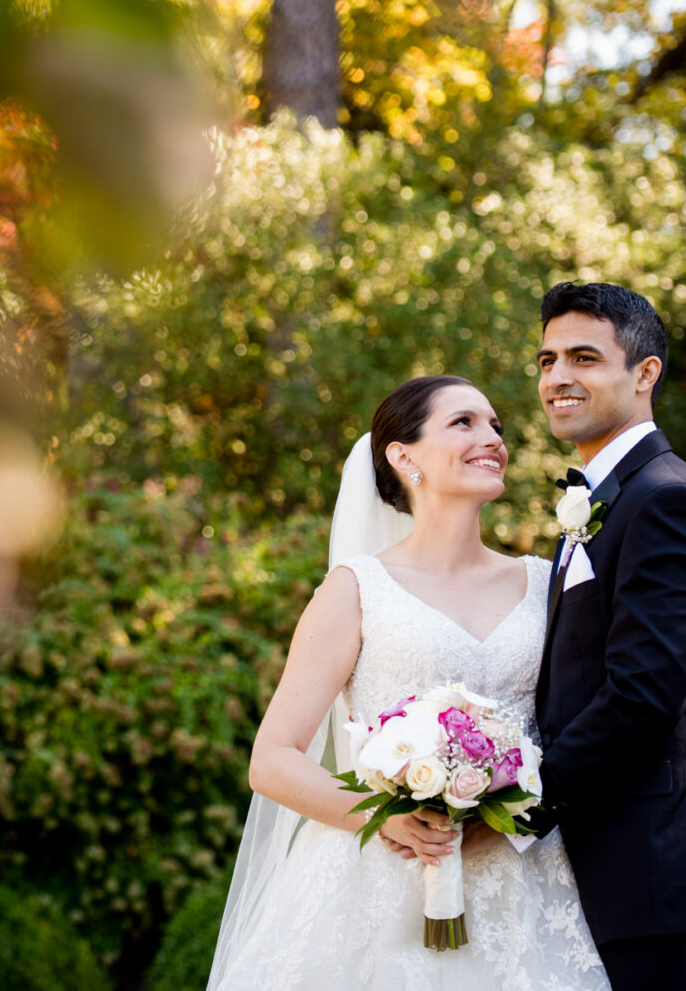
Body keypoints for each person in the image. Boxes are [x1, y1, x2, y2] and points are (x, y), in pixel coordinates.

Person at [206, 375, 608, 991]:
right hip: (377, 880)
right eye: (464, 423)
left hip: (522, 874)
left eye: (496, 426)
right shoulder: (356, 590)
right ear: (403, 455)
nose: (492, 438)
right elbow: (273, 759)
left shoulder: (544, 584)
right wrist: (387, 818)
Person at [532, 281, 686, 991]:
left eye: (582, 357)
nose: (556, 378)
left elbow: (642, 694)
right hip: (604, 871)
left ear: (643, 373)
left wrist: (517, 800)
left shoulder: (666, 499)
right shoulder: (606, 498)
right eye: (545, 361)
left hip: (655, 870)